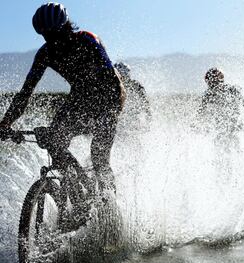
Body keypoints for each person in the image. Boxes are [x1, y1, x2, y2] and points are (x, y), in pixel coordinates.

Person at [0, 3, 125, 191]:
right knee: (53, 141)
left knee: (99, 157)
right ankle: (81, 191)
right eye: (46, 36)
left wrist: (103, 116)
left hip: (109, 96)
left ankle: (109, 206)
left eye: (55, 34)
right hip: (79, 98)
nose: (52, 40)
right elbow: (25, 93)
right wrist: (5, 124)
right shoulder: (45, 53)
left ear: (66, 26)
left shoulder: (87, 40)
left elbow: (112, 82)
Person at [196, 67, 244, 144]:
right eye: (210, 83)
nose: (211, 85)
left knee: (230, 141)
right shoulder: (208, 95)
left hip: (233, 127)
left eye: (213, 82)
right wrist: (197, 125)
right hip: (223, 129)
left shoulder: (232, 90)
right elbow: (200, 112)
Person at [114, 62, 152, 128]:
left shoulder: (136, 86)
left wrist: (148, 119)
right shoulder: (114, 87)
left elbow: (146, 104)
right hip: (121, 122)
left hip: (133, 122)